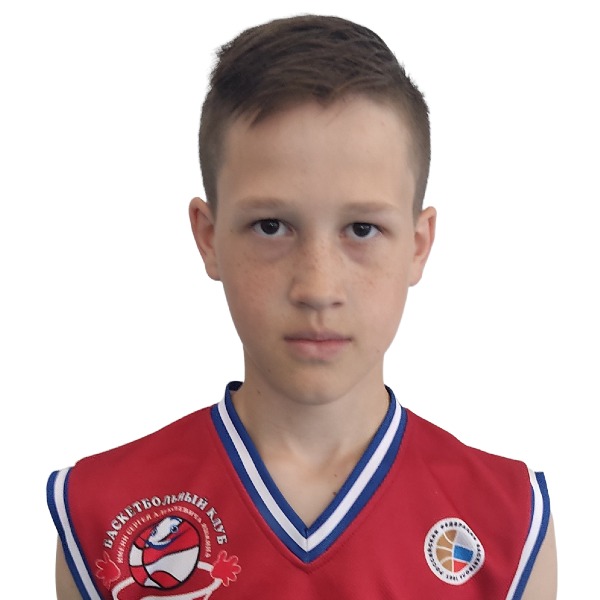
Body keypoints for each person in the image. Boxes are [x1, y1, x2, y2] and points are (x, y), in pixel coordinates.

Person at [47, 14, 557, 600]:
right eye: (271, 226)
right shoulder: (103, 518)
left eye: (362, 229)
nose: (317, 286)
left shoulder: (508, 526)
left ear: (418, 246)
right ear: (208, 237)